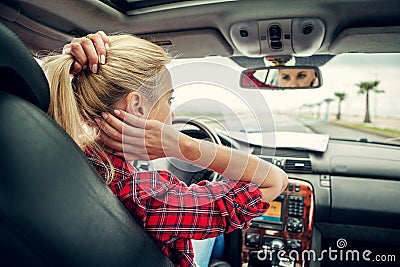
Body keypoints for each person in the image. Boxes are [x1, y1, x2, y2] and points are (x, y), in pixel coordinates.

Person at [44, 32, 288, 267]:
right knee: (217, 236)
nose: (172, 114)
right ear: (138, 107)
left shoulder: (65, 154)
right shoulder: (152, 198)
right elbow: (274, 181)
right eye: (168, 100)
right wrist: (181, 144)